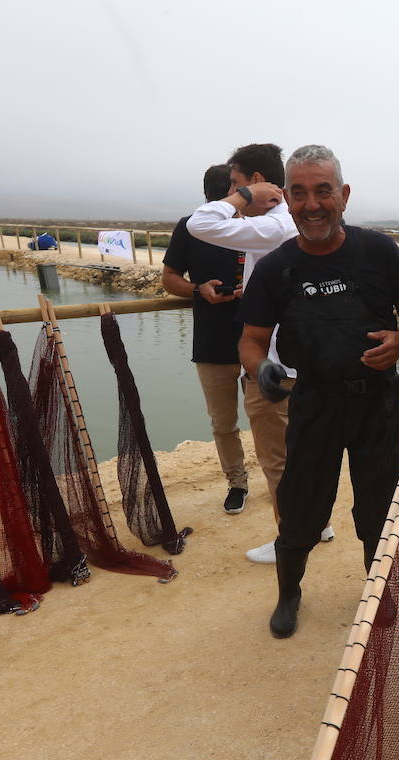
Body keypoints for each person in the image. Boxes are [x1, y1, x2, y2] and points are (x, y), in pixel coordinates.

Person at [238, 145, 399, 638]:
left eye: (323, 192)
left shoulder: (377, 251)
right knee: (301, 510)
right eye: (299, 193)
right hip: (314, 402)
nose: (312, 204)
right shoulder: (276, 267)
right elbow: (251, 340)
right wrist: (262, 371)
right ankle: (289, 593)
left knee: (378, 509)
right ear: (288, 200)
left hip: (378, 404)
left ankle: (377, 591)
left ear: (343, 195)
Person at [183, 142, 334, 562]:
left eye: (235, 183)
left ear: (255, 181)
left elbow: (202, 221)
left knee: (277, 458)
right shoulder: (283, 227)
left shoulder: (274, 226)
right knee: (303, 450)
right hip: (298, 361)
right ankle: (317, 523)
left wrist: (244, 198)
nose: (230, 192)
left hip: (274, 366)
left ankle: (291, 538)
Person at [161, 164, 248, 514]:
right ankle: (237, 483)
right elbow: (169, 277)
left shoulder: (255, 227)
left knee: (272, 417)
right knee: (223, 423)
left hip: (260, 340)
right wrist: (199, 288)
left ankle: (284, 480)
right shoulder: (191, 227)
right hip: (212, 343)